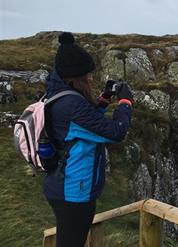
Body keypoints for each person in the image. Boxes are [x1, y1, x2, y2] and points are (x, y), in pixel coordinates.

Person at [43, 32, 133, 247]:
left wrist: (103, 100)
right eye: (87, 75)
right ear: (74, 78)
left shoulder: (59, 96)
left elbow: (84, 125)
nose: (91, 78)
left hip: (60, 184)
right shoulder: (73, 106)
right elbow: (115, 131)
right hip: (74, 190)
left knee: (68, 239)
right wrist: (125, 102)